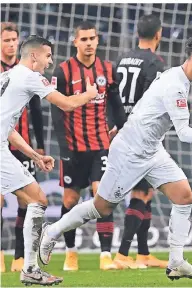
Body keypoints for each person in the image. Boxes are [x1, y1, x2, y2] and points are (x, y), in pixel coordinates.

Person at [39, 35, 192, 280]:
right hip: (130, 152)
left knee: (184, 196)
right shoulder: (174, 84)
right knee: (101, 207)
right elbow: (184, 134)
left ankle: (176, 262)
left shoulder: (179, 77)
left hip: (152, 150)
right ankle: (52, 232)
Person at [0, 34, 98, 285]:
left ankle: (29, 267)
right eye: (47, 56)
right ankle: (30, 268)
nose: (50, 61)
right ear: (34, 56)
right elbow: (65, 104)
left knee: (34, 200)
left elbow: (7, 129)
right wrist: (89, 94)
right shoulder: (30, 77)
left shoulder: (7, 77)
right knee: (38, 199)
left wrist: (34, 154)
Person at [51, 21, 126, 271]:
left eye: (92, 38)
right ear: (75, 42)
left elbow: (116, 102)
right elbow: (56, 112)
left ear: (98, 40)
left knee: (102, 196)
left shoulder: (108, 68)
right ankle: (71, 252)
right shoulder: (62, 72)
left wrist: (119, 126)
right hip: (73, 147)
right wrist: (63, 147)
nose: (89, 43)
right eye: (83, 39)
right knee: (71, 199)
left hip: (100, 145)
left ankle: (106, 255)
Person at [110, 14, 167, 269]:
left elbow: (112, 93)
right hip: (141, 134)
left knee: (147, 192)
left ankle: (143, 253)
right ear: (159, 34)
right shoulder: (155, 62)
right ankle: (122, 255)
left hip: (122, 130)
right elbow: (152, 101)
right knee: (141, 192)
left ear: (136, 33)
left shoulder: (122, 58)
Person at [0, 21, 46, 273]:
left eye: (14, 40)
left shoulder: (25, 71)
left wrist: (37, 146)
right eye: (6, 40)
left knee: (27, 202)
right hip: (3, 142)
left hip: (20, 141)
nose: (10, 44)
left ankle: (21, 257)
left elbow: (36, 109)